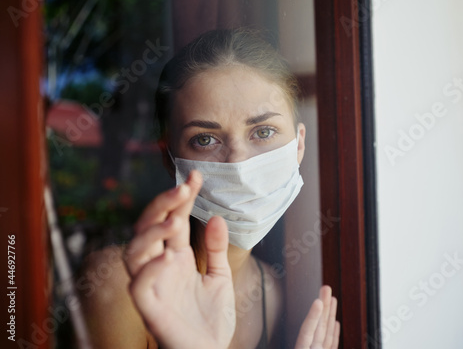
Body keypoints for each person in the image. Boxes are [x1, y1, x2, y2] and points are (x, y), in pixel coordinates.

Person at [80, 28, 340, 348]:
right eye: (205, 139)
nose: (239, 163)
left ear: (298, 144)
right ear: (169, 157)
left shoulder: (271, 293)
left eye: (264, 131)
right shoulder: (122, 282)